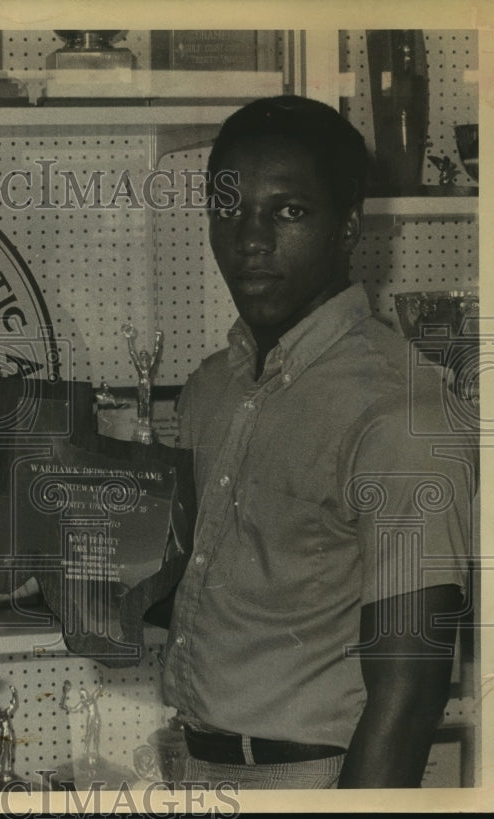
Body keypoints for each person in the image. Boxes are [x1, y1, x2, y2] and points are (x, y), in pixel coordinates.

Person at [157, 95, 475, 789]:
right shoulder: (211, 388)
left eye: (289, 211)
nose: (249, 239)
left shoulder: (400, 410)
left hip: (313, 783)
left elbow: (410, 696)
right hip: (193, 770)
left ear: (348, 227)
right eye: (229, 207)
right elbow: (180, 588)